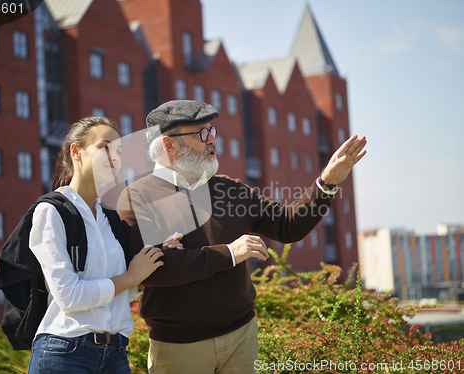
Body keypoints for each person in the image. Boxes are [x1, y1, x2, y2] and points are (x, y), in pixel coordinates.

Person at [117, 100, 367, 374]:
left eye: (212, 130)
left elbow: (288, 226)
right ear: (169, 145)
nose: (212, 140)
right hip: (179, 346)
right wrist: (231, 253)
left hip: (242, 336)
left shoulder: (230, 189)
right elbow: (152, 271)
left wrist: (326, 184)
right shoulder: (137, 197)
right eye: (202, 133)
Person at [26, 117, 180, 374]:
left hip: (116, 354)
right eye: (105, 147)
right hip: (65, 352)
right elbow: (69, 296)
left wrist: (154, 259)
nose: (115, 157)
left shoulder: (110, 217)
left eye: (119, 151)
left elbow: (119, 290)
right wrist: (131, 276)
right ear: (76, 151)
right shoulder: (52, 211)